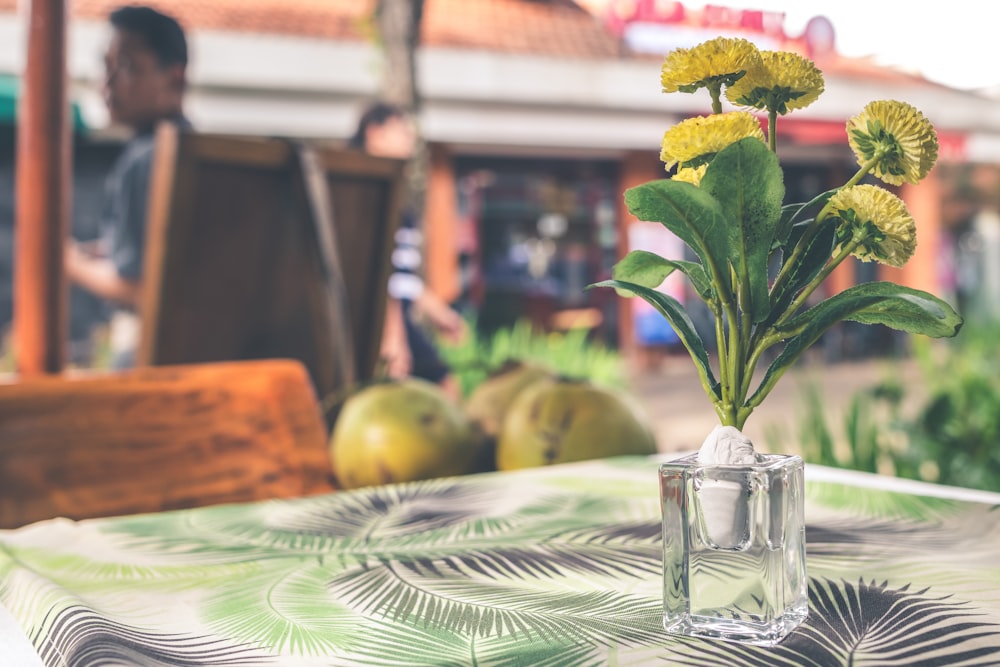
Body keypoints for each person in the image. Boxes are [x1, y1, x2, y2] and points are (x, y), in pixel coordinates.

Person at [65, 5, 191, 369]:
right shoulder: (194, 150)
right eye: (106, 66)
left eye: (127, 67)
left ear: (174, 79)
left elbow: (138, 287)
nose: (107, 83)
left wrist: (67, 261)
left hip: (148, 354)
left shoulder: (147, 158)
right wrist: (108, 252)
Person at [348, 102, 466, 396]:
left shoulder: (392, 191)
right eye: (401, 130)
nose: (409, 138)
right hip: (376, 319)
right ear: (374, 133)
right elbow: (379, 274)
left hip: (394, 318)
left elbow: (402, 276)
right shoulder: (362, 191)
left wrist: (439, 313)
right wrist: (392, 336)